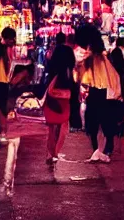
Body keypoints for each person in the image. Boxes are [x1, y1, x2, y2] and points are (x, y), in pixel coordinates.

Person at [77, 25, 121, 163]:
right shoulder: (102, 57)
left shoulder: (92, 58)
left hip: (97, 92)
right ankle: (102, 149)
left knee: (94, 123)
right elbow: (113, 77)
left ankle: (99, 149)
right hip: (103, 92)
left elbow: (83, 77)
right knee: (102, 122)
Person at [42, 37, 75, 165]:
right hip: (64, 102)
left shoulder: (52, 70)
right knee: (63, 126)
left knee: (51, 127)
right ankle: (55, 151)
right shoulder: (69, 72)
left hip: (51, 100)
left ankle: (50, 153)